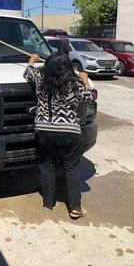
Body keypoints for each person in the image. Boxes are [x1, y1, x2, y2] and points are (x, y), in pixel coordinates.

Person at [23, 50, 93, 219]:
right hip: (69, 132)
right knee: (71, 168)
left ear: (47, 66)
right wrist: (85, 82)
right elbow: (88, 98)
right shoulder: (73, 83)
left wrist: (32, 60)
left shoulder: (40, 78)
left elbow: (27, 72)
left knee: (47, 165)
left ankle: (48, 203)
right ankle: (75, 208)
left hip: (44, 130)